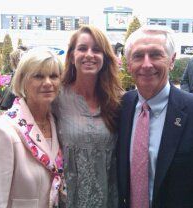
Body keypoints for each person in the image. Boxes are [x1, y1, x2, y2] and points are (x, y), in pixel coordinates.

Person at [117, 25, 193, 208]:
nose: (147, 64)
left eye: (156, 54)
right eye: (138, 56)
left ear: (172, 61)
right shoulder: (121, 107)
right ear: (129, 64)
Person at [0, 49, 65, 208]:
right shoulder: (2, 132)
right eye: (38, 76)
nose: (47, 82)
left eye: (53, 76)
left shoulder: (59, 124)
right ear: (22, 80)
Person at [52, 25, 123, 207]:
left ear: (105, 58)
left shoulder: (119, 100)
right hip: (69, 199)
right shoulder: (56, 97)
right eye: (82, 48)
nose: (89, 55)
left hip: (108, 198)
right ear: (71, 56)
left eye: (97, 50)